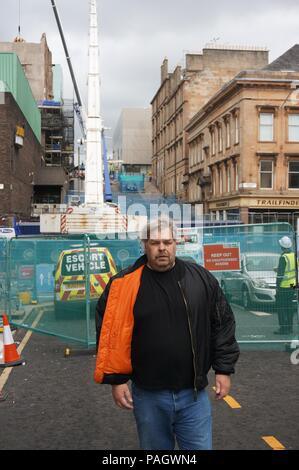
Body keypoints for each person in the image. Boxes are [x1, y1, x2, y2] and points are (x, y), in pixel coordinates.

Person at [94, 217, 240, 450]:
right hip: (148, 395)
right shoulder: (122, 284)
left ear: (176, 243)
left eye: (167, 242)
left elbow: (222, 323)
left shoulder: (201, 279)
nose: (162, 248)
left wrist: (223, 369)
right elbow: (109, 333)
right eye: (155, 242)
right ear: (144, 244)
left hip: (193, 395)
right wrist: (116, 379)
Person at [274, 236, 297, 335]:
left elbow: (280, 275)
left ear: (281, 246)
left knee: (281, 308)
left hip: (284, 286)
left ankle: (283, 329)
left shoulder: (283, 257)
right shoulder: (294, 255)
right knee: (290, 307)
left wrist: (277, 287)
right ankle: (290, 328)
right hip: (292, 285)